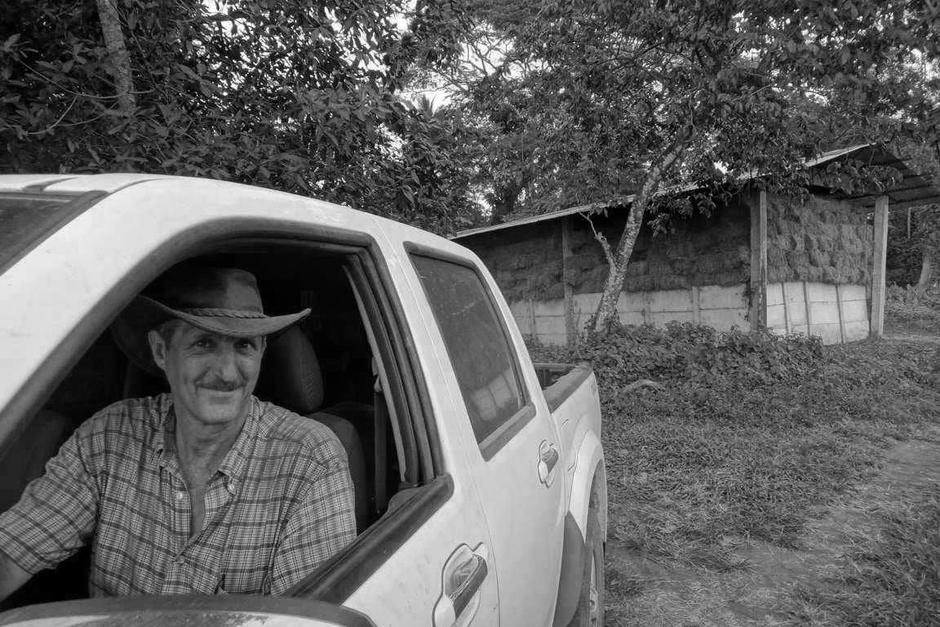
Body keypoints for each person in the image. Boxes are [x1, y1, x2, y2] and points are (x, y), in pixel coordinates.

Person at [0, 265, 356, 599]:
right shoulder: (109, 436)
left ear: (262, 351)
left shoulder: (309, 459)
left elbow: (307, 618)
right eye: (203, 343)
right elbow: (13, 552)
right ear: (160, 351)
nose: (228, 373)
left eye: (244, 346)